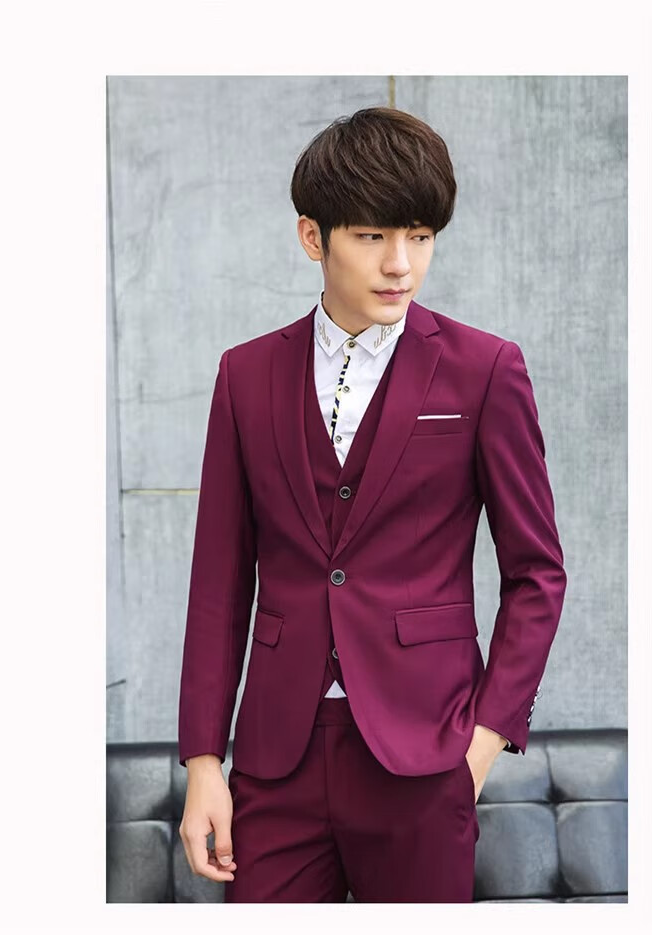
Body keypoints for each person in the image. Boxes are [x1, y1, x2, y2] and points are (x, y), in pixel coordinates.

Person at [177, 106, 567, 903]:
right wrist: (205, 762)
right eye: (371, 236)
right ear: (312, 238)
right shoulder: (245, 376)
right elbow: (220, 581)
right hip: (277, 757)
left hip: (425, 752)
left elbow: (537, 573)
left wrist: (481, 744)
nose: (400, 264)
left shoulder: (484, 370)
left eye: (420, 236)